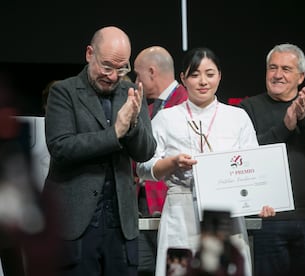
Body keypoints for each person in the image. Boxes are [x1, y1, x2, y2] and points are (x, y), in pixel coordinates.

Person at [137, 47, 275, 276]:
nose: (203, 81)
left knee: (219, 272)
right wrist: (172, 163)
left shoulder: (236, 118)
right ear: (183, 78)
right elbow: (144, 168)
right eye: (194, 74)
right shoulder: (166, 118)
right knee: (177, 272)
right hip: (180, 216)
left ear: (220, 75)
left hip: (222, 216)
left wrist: (261, 201)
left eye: (210, 74)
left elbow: (254, 169)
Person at [42, 26, 157, 276]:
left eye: (122, 68)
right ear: (89, 54)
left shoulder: (132, 94)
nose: (114, 76)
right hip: (76, 224)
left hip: (121, 224)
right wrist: (115, 132)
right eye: (107, 67)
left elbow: (146, 151)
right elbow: (60, 147)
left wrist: (133, 124)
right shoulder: (64, 92)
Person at [239, 43, 305, 275]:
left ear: (301, 76)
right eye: (272, 68)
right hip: (268, 216)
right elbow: (248, 156)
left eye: (286, 69)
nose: (277, 75)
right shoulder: (248, 108)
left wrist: (304, 119)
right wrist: (285, 127)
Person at [133, 46, 188, 275]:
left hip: (177, 210)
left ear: (152, 72)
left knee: (178, 270)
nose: (136, 81)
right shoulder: (148, 107)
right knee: (145, 269)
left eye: (138, 75)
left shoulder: (185, 103)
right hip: (145, 207)